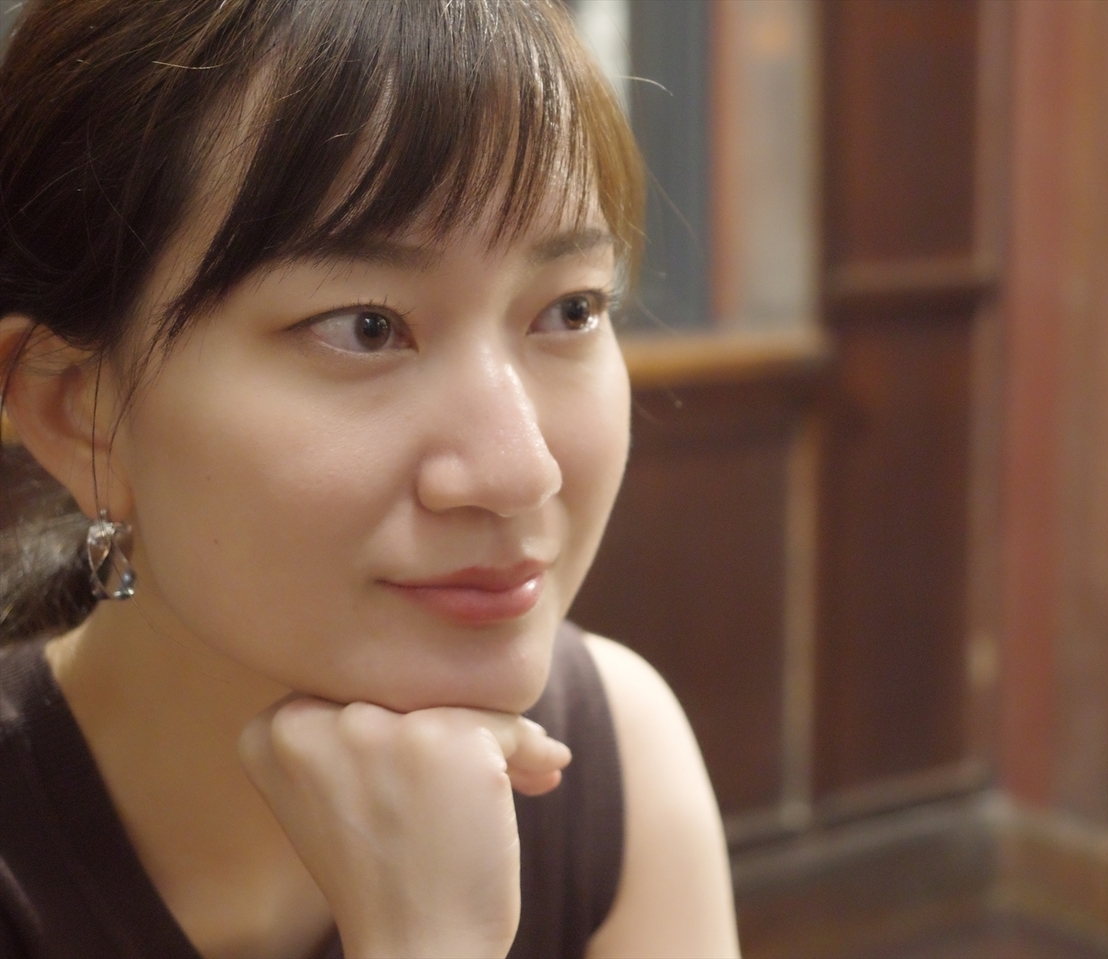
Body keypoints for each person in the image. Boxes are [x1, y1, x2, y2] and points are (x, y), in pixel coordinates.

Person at [0, 0, 739, 956]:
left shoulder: (616, 755)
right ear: (79, 412)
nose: (519, 470)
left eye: (570, 309)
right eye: (367, 327)